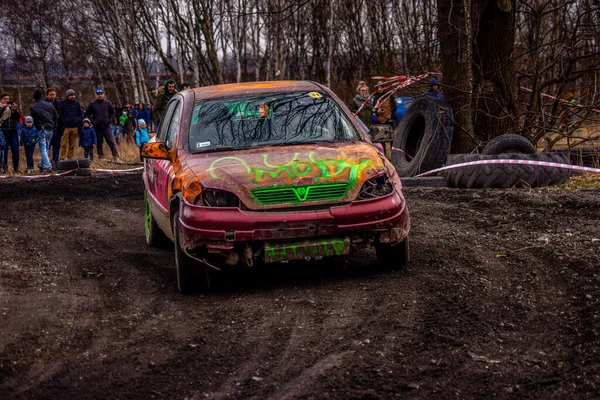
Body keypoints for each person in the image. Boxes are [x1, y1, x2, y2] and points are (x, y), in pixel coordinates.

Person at [84, 87, 120, 162]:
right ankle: (101, 157)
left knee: (111, 141)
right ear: (95, 95)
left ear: (103, 94)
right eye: (98, 94)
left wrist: (110, 120)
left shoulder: (108, 103)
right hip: (97, 127)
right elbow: (87, 113)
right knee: (99, 143)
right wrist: (92, 121)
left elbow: (113, 112)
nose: (100, 95)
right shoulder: (92, 104)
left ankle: (116, 156)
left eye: (101, 94)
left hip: (106, 126)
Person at [30, 90, 57, 172]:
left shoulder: (33, 107)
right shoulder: (50, 105)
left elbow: (32, 119)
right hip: (50, 128)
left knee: (43, 148)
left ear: (34, 99)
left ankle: (48, 165)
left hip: (41, 129)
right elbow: (56, 116)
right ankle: (42, 165)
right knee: (47, 147)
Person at [58, 89, 83, 160]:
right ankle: (62, 158)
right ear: (67, 96)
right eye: (71, 95)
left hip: (75, 127)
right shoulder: (62, 104)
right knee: (63, 144)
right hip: (66, 127)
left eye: (73, 95)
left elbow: (80, 115)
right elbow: (60, 115)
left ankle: (70, 158)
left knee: (72, 145)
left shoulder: (77, 104)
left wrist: (77, 122)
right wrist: (63, 124)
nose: (73, 96)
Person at [0, 93, 21, 173]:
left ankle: (16, 168)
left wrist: (15, 110)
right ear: (1, 100)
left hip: (13, 130)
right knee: (4, 149)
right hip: (3, 130)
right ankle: (5, 167)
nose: (7, 100)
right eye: (5, 99)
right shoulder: (1, 107)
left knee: (15, 150)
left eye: (8, 99)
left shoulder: (11, 108)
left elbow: (18, 117)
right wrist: (3, 108)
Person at [45, 88, 63, 168]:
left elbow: (61, 117)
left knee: (57, 147)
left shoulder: (58, 105)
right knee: (46, 147)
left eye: (54, 94)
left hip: (57, 129)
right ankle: (46, 163)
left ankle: (56, 162)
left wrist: (61, 128)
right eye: (51, 94)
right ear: (47, 95)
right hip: (47, 128)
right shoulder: (44, 104)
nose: (52, 96)